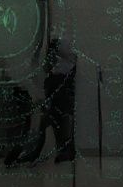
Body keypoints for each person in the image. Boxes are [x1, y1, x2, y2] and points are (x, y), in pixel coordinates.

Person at [5, 35, 77, 165]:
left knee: (51, 122)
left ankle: (37, 153)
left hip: (57, 87)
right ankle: (39, 152)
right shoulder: (56, 63)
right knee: (50, 122)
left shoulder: (62, 61)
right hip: (52, 86)